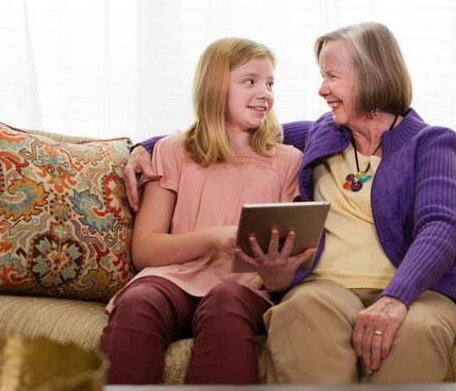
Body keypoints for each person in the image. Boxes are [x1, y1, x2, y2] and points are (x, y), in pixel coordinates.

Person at [126, 22, 456, 383]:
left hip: (417, 292)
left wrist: (395, 298)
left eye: (331, 76)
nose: (322, 89)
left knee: (412, 335)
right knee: (299, 315)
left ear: (369, 76)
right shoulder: (322, 132)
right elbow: (225, 128)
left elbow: (441, 228)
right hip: (326, 288)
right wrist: (142, 148)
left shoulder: (429, 143)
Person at [99, 37, 310, 385]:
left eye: (270, 83)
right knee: (139, 300)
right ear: (215, 87)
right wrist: (213, 238)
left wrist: (277, 274)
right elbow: (145, 250)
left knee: (225, 301)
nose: (265, 94)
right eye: (250, 82)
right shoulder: (172, 151)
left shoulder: (289, 160)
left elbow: (283, 276)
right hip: (174, 277)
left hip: (245, 289)